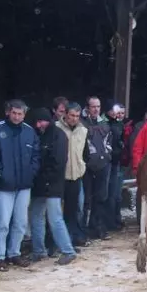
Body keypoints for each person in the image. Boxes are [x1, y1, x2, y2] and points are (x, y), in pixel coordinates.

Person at [0, 99, 41, 271]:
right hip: (4, 186)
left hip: (24, 185)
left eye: (20, 113)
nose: (17, 116)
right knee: (2, 222)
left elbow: (36, 156)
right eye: (14, 113)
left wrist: (30, 173)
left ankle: (14, 253)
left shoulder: (30, 132)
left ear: (24, 114)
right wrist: (1, 176)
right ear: (8, 112)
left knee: (21, 222)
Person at [29, 108, 76, 265]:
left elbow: (58, 162)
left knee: (54, 218)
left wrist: (47, 179)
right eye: (37, 121)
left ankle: (68, 250)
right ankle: (38, 251)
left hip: (52, 184)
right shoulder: (41, 135)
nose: (38, 124)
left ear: (47, 120)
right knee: (36, 217)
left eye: (41, 121)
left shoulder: (57, 136)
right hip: (41, 183)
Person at [81, 96, 113, 241]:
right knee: (86, 200)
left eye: (98, 106)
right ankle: (83, 230)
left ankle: (98, 228)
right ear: (87, 107)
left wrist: (107, 156)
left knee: (101, 197)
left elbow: (110, 142)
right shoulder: (81, 123)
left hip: (103, 165)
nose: (96, 109)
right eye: (93, 106)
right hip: (86, 167)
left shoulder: (105, 123)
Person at [57, 102, 89, 246]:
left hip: (76, 175)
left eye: (77, 115)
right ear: (65, 114)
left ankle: (70, 240)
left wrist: (82, 165)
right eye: (71, 115)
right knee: (55, 211)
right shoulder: (57, 128)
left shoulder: (83, 130)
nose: (74, 118)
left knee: (72, 210)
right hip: (59, 176)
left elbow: (85, 152)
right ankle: (53, 242)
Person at [106, 103, 126, 231]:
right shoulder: (107, 124)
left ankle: (116, 219)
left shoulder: (122, 125)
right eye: (117, 112)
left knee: (117, 194)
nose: (119, 115)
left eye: (122, 113)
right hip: (109, 161)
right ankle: (110, 221)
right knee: (110, 194)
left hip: (119, 162)